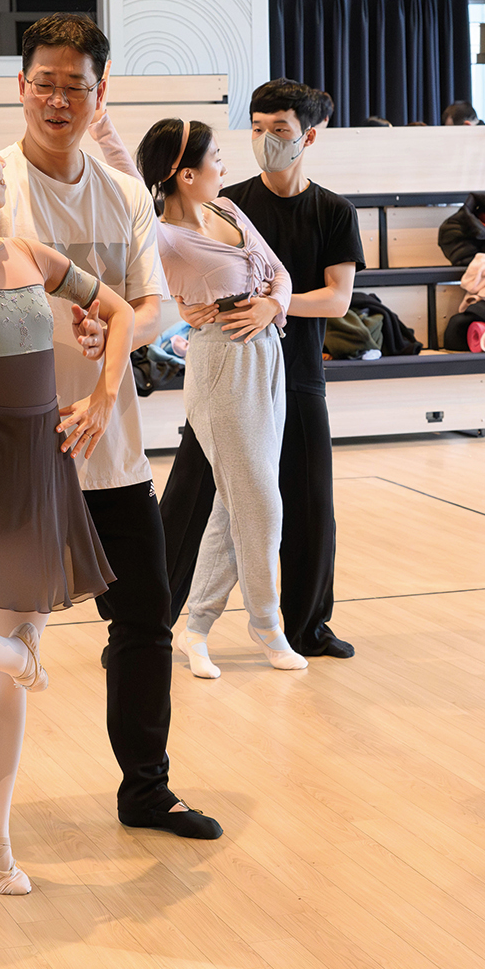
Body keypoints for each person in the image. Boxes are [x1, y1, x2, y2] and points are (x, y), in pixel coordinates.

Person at [0, 8, 225, 868]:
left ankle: (145, 787)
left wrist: (113, 360)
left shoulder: (125, 192)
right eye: (44, 83)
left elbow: (149, 305)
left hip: (105, 448)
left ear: (102, 93)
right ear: (21, 87)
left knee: (143, 620)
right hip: (5, 455)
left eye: (76, 85)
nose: (58, 99)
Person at [144, 79, 362, 660]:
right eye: (257, 128)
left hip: (295, 370)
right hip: (226, 370)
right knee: (192, 499)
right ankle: (149, 625)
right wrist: (197, 306)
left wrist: (273, 304)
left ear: (308, 137)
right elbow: (182, 267)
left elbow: (337, 299)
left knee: (308, 502)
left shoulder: (333, 211)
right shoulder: (227, 198)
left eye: (279, 130)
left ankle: (306, 627)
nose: (265, 139)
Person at [136, 117, 298, 679]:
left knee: (236, 503)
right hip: (220, 363)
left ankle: (197, 628)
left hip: (268, 356)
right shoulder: (165, 235)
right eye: (216, 159)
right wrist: (103, 125)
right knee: (262, 502)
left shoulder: (228, 209)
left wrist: (272, 305)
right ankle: (267, 624)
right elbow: (131, 180)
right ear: (185, 174)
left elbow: (280, 275)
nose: (226, 167)